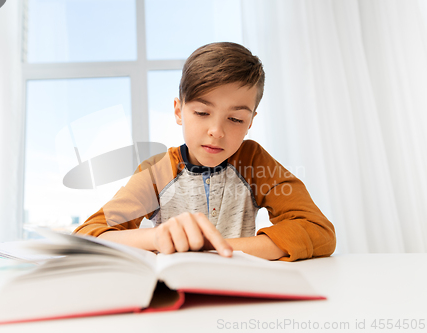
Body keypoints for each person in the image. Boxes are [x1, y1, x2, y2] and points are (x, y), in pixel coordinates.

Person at [74, 42, 336, 261]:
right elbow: (86, 237)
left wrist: (214, 249)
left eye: (235, 119)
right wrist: (157, 238)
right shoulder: (157, 172)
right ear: (179, 111)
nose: (216, 131)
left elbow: (318, 230)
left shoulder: (253, 161)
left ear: (251, 122)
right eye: (202, 113)